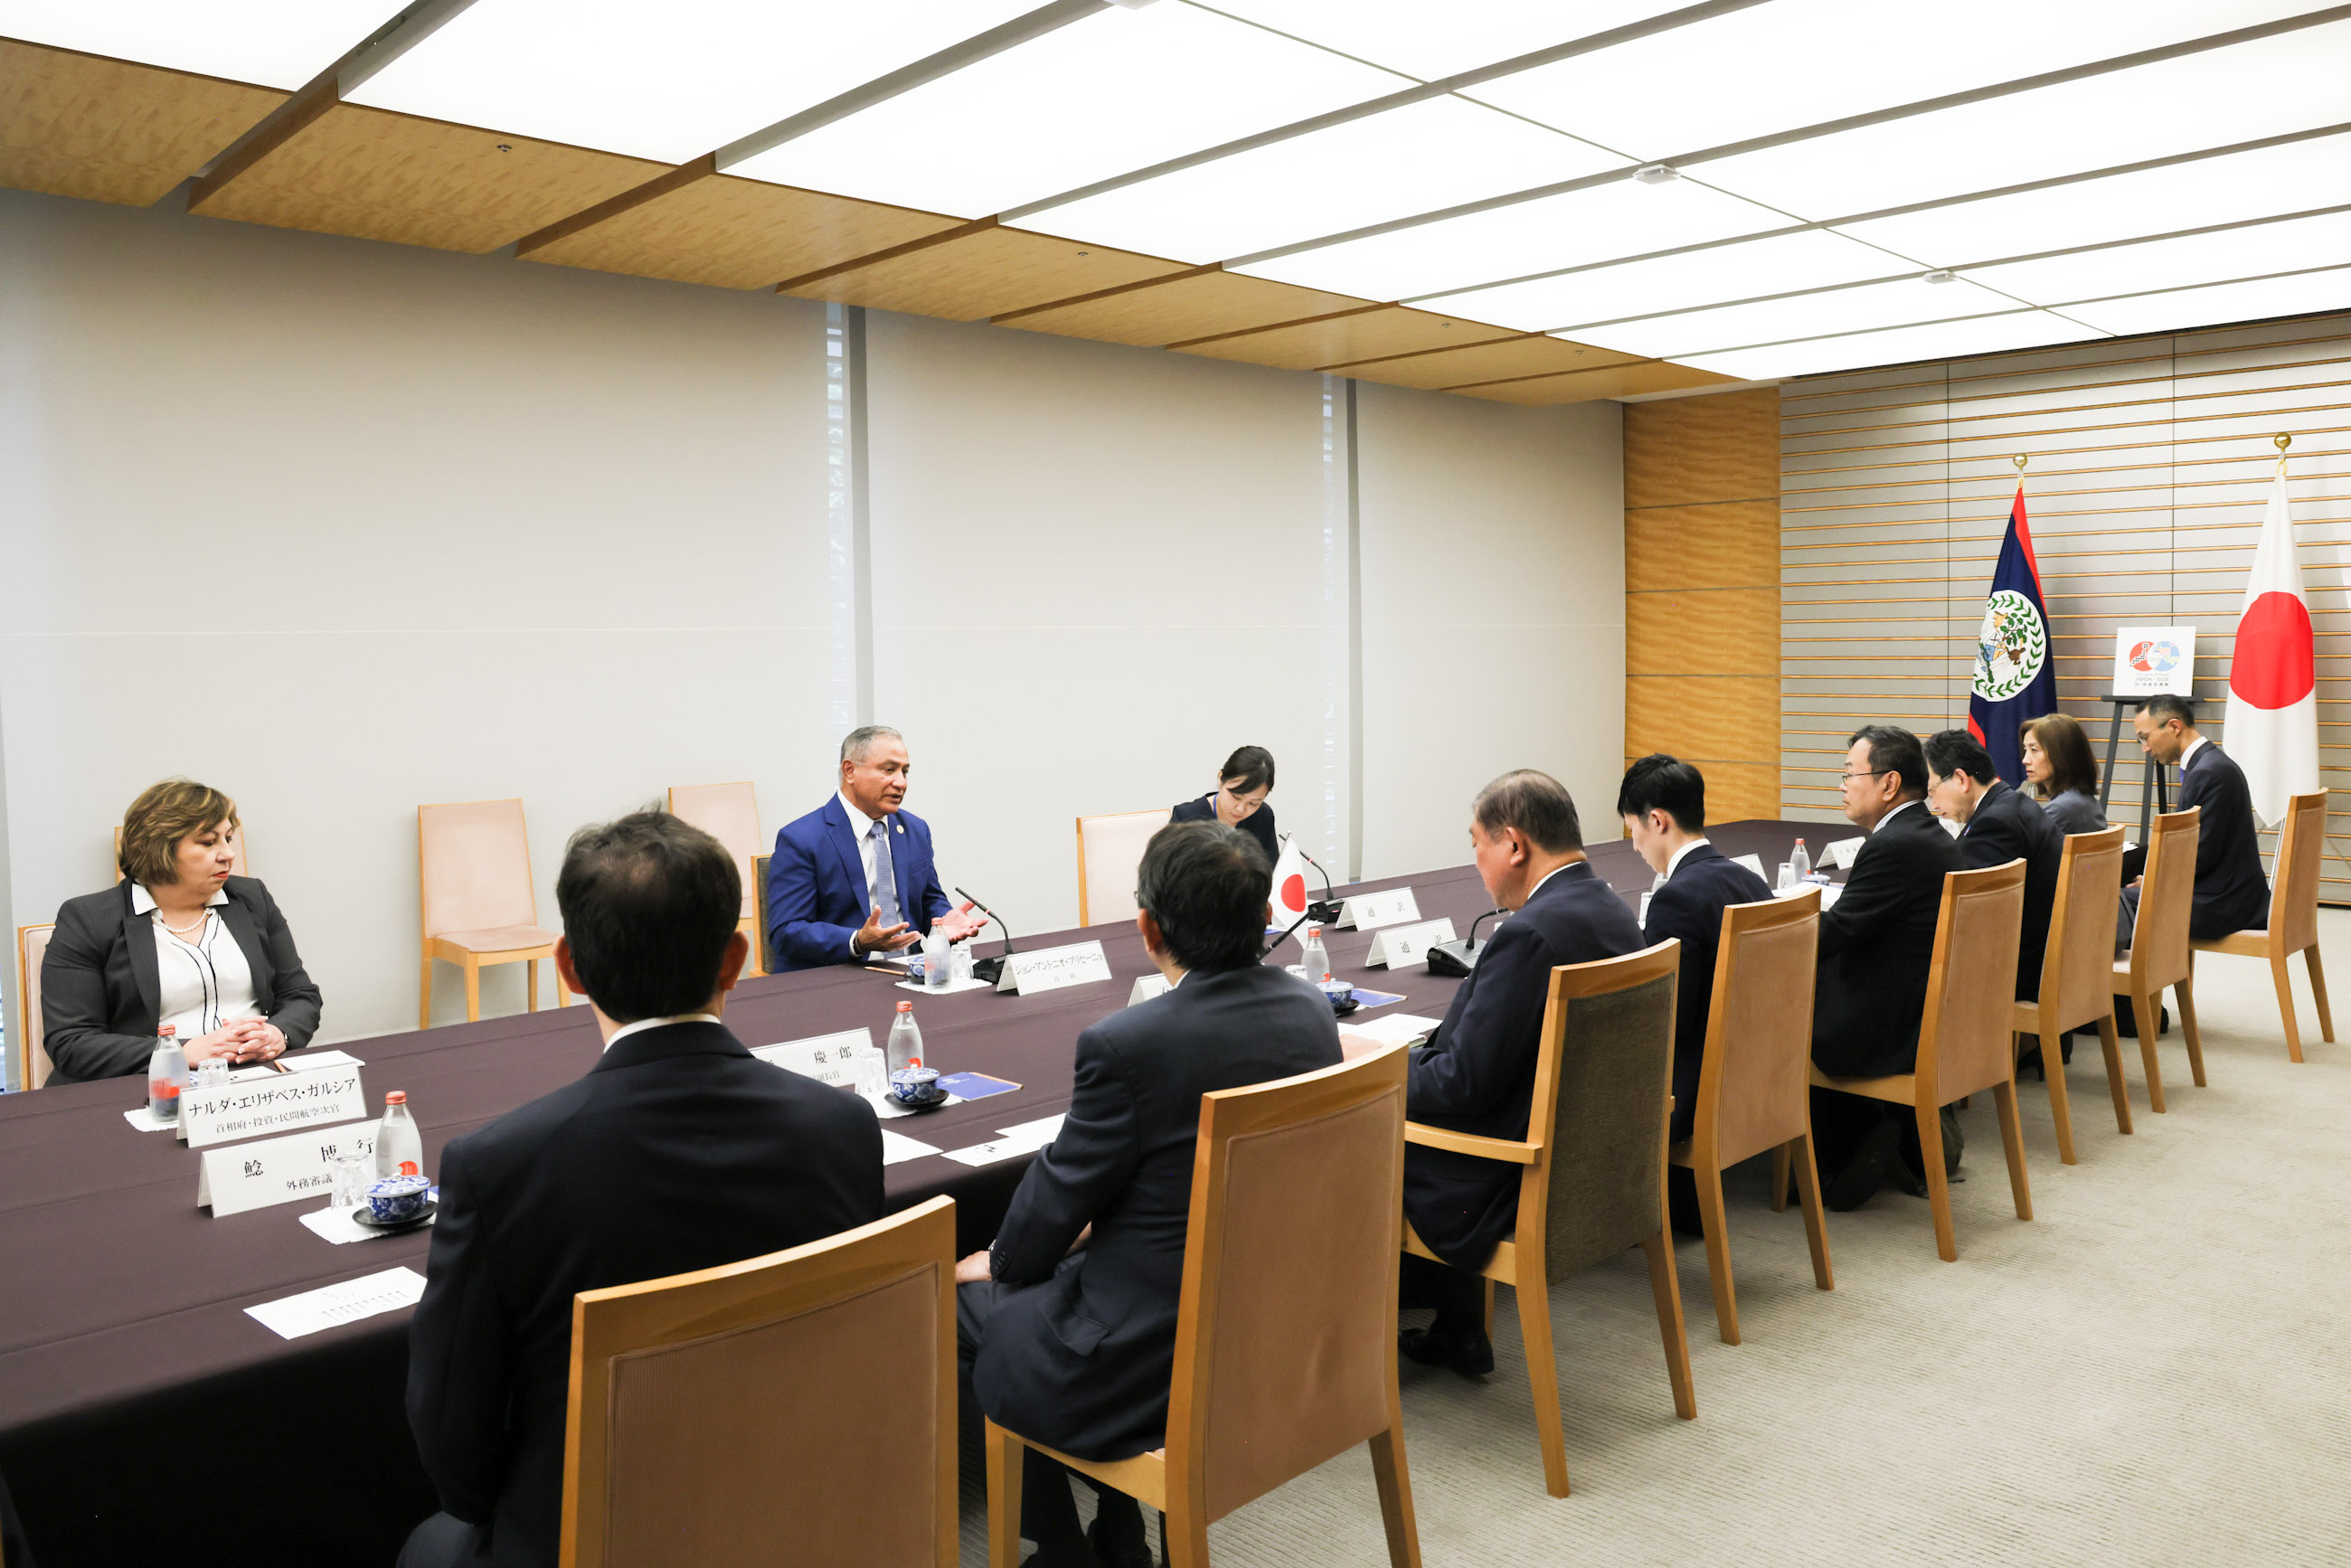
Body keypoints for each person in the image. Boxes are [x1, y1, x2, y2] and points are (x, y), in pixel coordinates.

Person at [402, 813, 883, 1568]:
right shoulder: (844, 1127)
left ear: (568, 967)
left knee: (436, 1542)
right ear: (735, 960)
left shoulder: (498, 1165)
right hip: (805, 1510)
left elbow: (452, 1435)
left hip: (587, 1531)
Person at [959, 821, 1336, 1568]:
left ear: (1147, 928)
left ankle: (1066, 1551)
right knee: (1063, 1281)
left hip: (1156, 1357)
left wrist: (997, 1261)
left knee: (975, 1304)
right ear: (1266, 917)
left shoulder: (1128, 1044)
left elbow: (1049, 1212)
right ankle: (1117, 1529)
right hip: (1283, 1331)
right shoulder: (1312, 1012)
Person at [1344, 770, 1642, 1377]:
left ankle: (1332, 1359)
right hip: (1594, 1160)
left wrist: (1372, 1065)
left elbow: (1461, 1084)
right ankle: (1458, 1327)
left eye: (1476, 843)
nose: (1476, 861)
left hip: (1507, 1174)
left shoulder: (1530, 934)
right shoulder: (1610, 907)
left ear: (1513, 844)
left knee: (1341, 1131)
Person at [40, 779, 321, 1084]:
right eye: (208, 842)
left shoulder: (253, 899)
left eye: (228, 838)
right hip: (146, 1084)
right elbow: (71, 1044)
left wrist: (277, 1033)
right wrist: (180, 1052)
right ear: (158, 846)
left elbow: (300, 995)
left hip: (255, 1078)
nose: (228, 854)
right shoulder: (88, 919)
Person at [1810, 726, 1964, 1210]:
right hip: (1921, 1007)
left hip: (1887, 1025)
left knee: (1769, 1000)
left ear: (1889, 784)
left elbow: (1834, 935)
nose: (1842, 784)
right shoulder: (1929, 834)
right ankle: (1881, 1136)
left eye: (1849, 774)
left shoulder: (1892, 846)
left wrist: (1776, 915)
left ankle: (1831, 1163)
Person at [1616, 755, 1771, 1152]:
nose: (1632, 843)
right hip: (1763, 1074)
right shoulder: (1750, 881)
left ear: (1657, 821)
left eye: (1632, 827)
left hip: (1696, 1090)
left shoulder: (1676, 900)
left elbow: (1668, 1022)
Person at [765, 724, 986, 971]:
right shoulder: (801, 839)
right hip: (836, 976)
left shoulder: (915, 829)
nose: (901, 782)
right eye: (889, 770)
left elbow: (928, 899)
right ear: (850, 771)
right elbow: (787, 931)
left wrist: (941, 922)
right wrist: (857, 940)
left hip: (910, 971)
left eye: (905, 772)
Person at [1923, 730, 2062, 1001]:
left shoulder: (1993, 825)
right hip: (2049, 957)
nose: (1934, 802)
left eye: (1933, 790)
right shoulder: (2017, 804)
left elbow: (1971, 920)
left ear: (1962, 779)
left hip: (2023, 972)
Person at [1167, 744, 1279, 864]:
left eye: (1253, 803)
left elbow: (1273, 871)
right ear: (1221, 779)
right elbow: (1167, 875)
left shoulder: (1263, 815)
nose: (1240, 809)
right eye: (1236, 797)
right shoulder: (1186, 818)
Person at [2021, 713, 2108, 835]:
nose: (2025, 760)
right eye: (2025, 750)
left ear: (2061, 755)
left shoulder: (2062, 808)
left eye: (2034, 750)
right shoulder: (2084, 800)